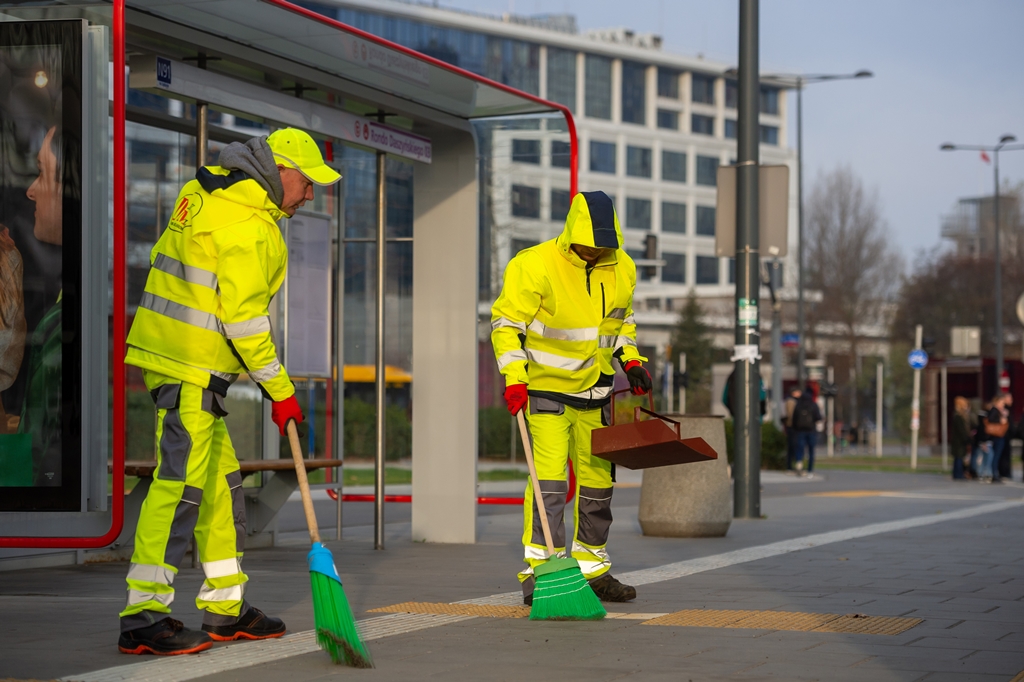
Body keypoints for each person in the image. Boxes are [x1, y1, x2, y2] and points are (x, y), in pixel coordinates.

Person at [117, 129, 340, 655]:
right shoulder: (251, 227)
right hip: (189, 367)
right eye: (307, 183)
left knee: (220, 488)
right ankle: (143, 615)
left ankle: (225, 608)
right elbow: (245, 325)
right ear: (281, 171)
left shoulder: (209, 194)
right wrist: (281, 392)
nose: (310, 196)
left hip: (181, 361)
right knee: (180, 489)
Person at [491, 190, 651, 606]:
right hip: (545, 392)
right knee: (550, 485)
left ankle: (592, 569)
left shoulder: (623, 267)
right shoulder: (534, 265)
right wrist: (514, 378)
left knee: (599, 483)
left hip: (596, 394)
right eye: (590, 245)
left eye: (604, 246)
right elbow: (506, 325)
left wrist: (630, 361)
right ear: (572, 233)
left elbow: (622, 322)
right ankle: (541, 574)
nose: (597, 252)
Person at [791, 388, 822, 477]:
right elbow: (818, 417)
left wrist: (795, 428)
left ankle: (799, 463)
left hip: (800, 431)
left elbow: (794, 418)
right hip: (811, 430)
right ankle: (810, 470)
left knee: (800, 448)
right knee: (811, 450)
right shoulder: (813, 405)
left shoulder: (798, 405)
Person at [951, 396, 972, 480]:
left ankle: (957, 474)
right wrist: (967, 439)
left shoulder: (958, 416)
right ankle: (958, 474)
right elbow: (961, 431)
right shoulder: (958, 417)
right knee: (959, 458)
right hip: (959, 442)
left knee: (958, 458)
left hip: (958, 441)